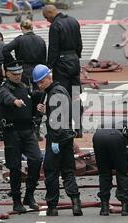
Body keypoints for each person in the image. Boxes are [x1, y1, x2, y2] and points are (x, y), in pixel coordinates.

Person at [33, 64, 82, 216]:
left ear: (49, 78)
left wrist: (55, 141)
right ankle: (75, 204)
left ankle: (52, 206)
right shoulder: (57, 91)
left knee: (51, 173)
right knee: (68, 172)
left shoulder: (54, 93)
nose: (39, 85)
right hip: (66, 138)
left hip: (57, 138)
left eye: (41, 82)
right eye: (38, 83)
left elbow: (57, 121)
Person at [0, 60, 43, 213]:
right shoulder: (4, 88)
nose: (18, 76)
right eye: (14, 74)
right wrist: (14, 101)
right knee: (14, 167)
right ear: (7, 74)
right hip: (12, 132)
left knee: (36, 159)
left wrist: (38, 106)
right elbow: (5, 97)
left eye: (20, 73)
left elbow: (33, 98)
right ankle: (16, 200)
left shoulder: (24, 86)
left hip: (28, 131)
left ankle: (29, 195)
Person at [1, 19, 47, 141]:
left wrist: (14, 63)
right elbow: (44, 58)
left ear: (22, 28)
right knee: (39, 99)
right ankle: (37, 128)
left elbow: (5, 49)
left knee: (26, 98)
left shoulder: (19, 40)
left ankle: (28, 128)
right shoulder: (40, 40)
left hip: (24, 71)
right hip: (38, 70)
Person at [42, 5, 83, 137]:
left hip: (62, 63)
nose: (48, 21)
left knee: (61, 95)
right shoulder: (73, 20)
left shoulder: (55, 26)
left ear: (49, 15)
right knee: (76, 95)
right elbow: (79, 43)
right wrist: (76, 56)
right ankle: (79, 128)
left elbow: (54, 48)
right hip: (74, 60)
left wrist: (49, 66)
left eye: (47, 18)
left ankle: (65, 127)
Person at [92, 121, 128, 216]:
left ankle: (104, 207)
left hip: (98, 136)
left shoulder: (109, 124)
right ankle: (125, 207)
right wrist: (127, 163)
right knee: (122, 173)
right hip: (115, 137)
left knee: (104, 174)